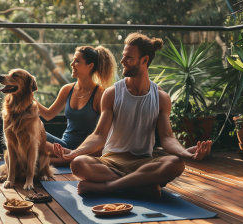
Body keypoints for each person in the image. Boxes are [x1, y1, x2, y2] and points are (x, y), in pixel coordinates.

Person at [53, 33, 212, 197]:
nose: (122, 61)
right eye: (123, 56)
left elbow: (167, 137)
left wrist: (185, 153)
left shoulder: (161, 97)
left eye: (128, 57)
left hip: (143, 162)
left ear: (144, 60)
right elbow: (99, 135)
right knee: (78, 163)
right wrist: (74, 152)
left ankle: (109, 187)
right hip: (110, 161)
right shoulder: (112, 93)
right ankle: (139, 184)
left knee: (176, 164)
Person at [37, 46, 117, 166]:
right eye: (73, 60)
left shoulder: (100, 95)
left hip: (87, 150)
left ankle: (66, 159)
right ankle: (66, 159)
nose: (71, 64)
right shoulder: (67, 89)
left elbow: (107, 134)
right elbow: (48, 115)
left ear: (90, 66)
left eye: (77, 61)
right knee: (31, 133)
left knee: (34, 159)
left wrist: (78, 152)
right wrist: (29, 97)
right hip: (63, 145)